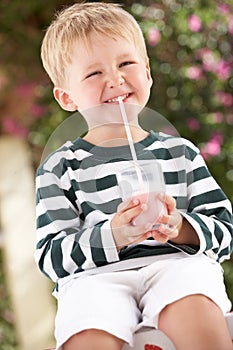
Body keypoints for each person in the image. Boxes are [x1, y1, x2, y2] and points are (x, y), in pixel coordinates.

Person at [35, 2, 233, 350]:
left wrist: (180, 226)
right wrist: (113, 234)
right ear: (67, 97)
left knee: (193, 299)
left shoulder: (180, 153)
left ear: (147, 72)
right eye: (93, 74)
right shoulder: (59, 169)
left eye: (125, 63)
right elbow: (52, 257)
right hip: (96, 278)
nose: (115, 79)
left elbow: (225, 230)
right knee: (87, 327)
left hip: (176, 264)